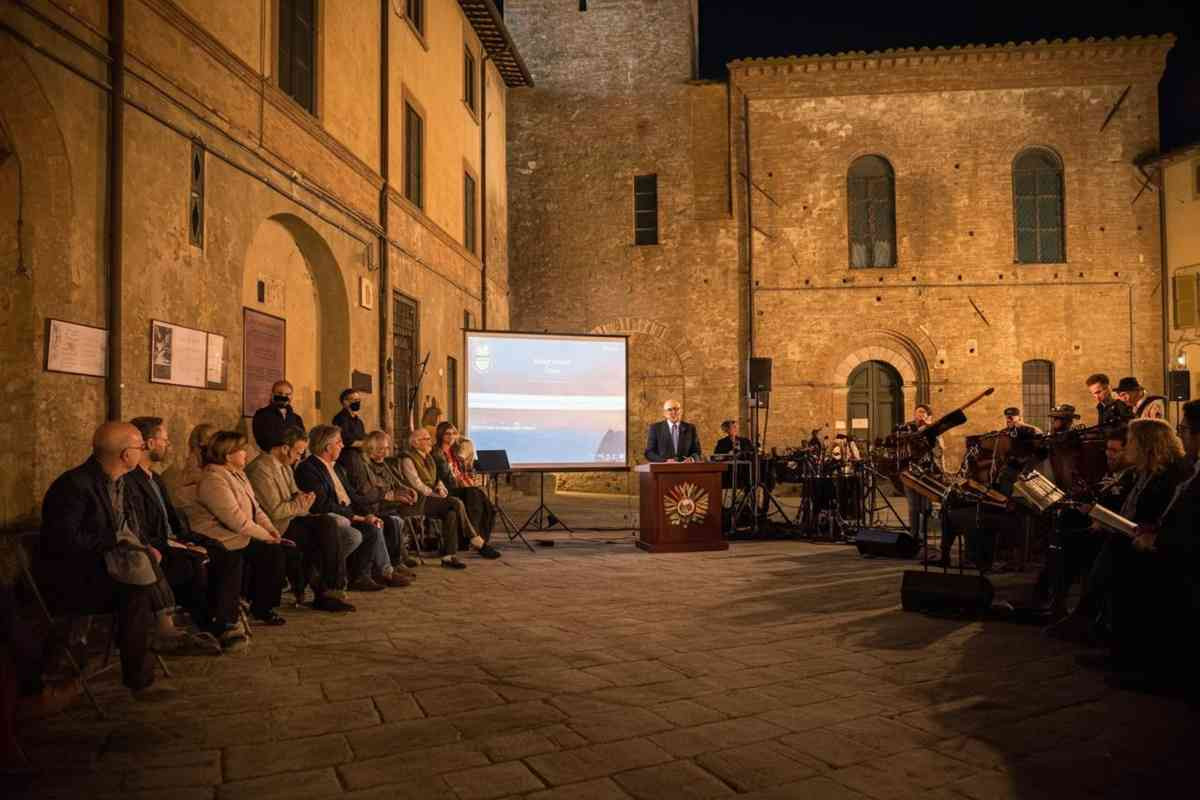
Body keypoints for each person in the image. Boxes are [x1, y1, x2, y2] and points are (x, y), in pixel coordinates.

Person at [36, 423, 213, 698]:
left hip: (114, 566)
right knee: (136, 590)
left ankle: (162, 634)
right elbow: (64, 543)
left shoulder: (121, 484)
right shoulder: (74, 486)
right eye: (140, 446)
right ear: (125, 454)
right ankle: (142, 675)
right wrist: (117, 542)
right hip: (77, 577)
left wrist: (138, 546)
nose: (143, 451)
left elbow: (133, 530)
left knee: (147, 561)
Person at [190, 431, 290, 644]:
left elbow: (256, 509)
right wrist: (265, 536)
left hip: (237, 535)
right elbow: (235, 518)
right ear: (228, 456)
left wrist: (271, 531)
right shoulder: (213, 479)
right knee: (238, 557)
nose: (247, 453)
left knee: (274, 553)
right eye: (242, 449)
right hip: (218, 537)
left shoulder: (239, 474)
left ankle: (263, 606)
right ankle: (225, 621)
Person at [246, 427, 358, 612]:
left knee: (327, 526)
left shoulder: (285, 466)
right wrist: (300, 503)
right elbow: (276, 511)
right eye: (298, 452)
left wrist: (302, 501)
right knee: (324, 534)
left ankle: (332, 590)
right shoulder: (261, 470)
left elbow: (296, 496)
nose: (299, 457)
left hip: (292, 519)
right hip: (276, 527)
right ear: (284, 448)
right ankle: (325, 591)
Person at [295, 425, 409, 590]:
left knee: (375, 525)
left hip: (347, 513)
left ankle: (365, 575)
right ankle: (331, 573)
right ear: (327, 447)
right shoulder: (309, 468)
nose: (342, 446)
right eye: (339, 442)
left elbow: (353, 497)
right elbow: (323, 504)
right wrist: (360, 517)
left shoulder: (337, 468)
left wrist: (370, 512)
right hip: (327, 519)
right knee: (361, 532)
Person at [126, 416, 213, 631]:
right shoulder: (130, 481)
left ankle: (222, 616)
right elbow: (142, 530)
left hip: (173, 540)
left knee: (218, 548)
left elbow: (173, 519)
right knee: (195, 561)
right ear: (149, 443)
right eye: (164, 440)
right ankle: (202, 625)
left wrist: (188, 540)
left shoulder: (155, 478)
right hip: (157, 547)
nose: (168, 445)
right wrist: (181, 545)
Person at [401, 428, 489, 568]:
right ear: (416, 443)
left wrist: (441, 489)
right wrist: (434, 494)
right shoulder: (408, 459)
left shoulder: (429, 458)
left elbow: (437, 480)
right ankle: (474, 538)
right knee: (455, 502)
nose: (430, 441)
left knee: (452, 513)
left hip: (432, 498)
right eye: (426, 439)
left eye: (429, 438)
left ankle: (449, 556)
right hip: (418, 501)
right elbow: (416, 483)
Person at [338, 438, 423, 575]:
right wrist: (389, 495)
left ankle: (396, 562)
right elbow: (366, 493)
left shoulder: (383, 464)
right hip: (371, 506)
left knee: (396, 518)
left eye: (386, 448)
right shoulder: (363, 466)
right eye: (380, 449)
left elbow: (394, 482)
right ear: (370, 451)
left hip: (379, 503)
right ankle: (389, 567)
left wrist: (405, 489)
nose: (385, 452)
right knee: (391, 520)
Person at [434, 422, 500, 553]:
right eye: (447, 433)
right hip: (448, 488)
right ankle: (474, 539)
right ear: (441, 435)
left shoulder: (455, 450)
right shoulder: (437, 452)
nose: (451, 436)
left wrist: (469, 478)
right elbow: (445, 476)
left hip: (461, 486)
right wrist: (462, 482)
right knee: (474, 494)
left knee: (487, 505)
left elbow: (463, 471)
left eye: (454, 433)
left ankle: (477, 538)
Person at [900, 404, 943, 543]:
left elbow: (939, 452)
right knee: (913, 506)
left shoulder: (933, 431)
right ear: (914, 414)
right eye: (918, 412)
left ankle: (923, 535)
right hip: (910, 472)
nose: (920, 415)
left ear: (928, 416)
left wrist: (933, 433)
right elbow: (901, 444)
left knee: (926, 507)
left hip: (927, 473)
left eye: (923, 412)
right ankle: (913, 535)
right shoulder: (907, 428)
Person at [162, 421, 217, 517]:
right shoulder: (189, 470)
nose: (216, 443)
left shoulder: (209, 466)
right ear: (200, 443)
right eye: (211, 438)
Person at [252, 380, 306, 452]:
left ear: (291, 396)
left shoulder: (297, 418)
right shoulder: (262, 415)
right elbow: (263, 440)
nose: (283, 397)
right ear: (272, 395)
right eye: (280, 393)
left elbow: (302, 440)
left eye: (287, 394)